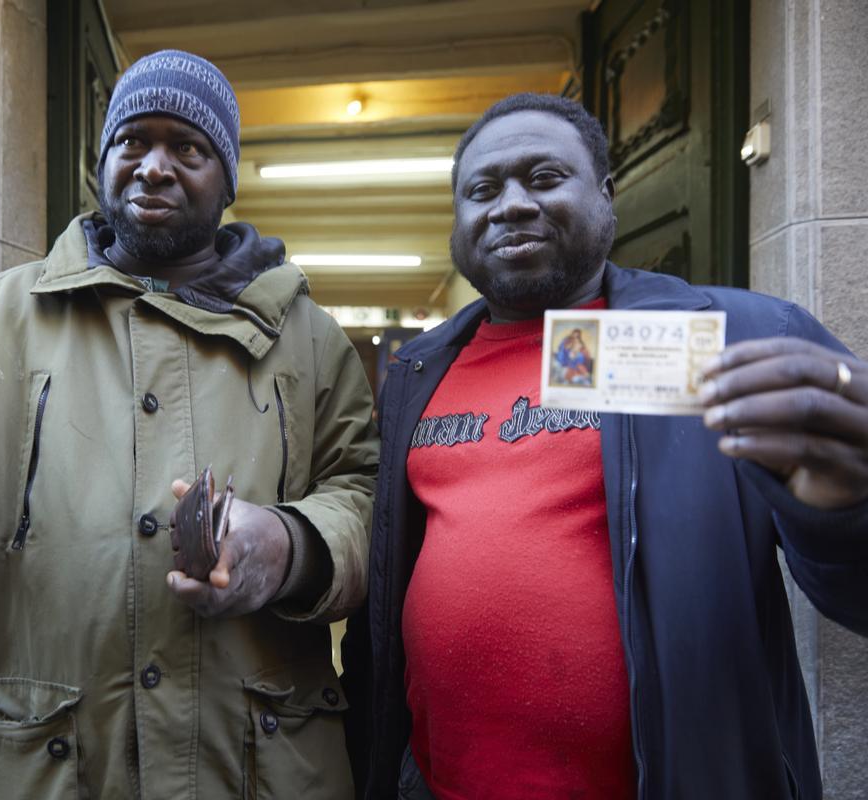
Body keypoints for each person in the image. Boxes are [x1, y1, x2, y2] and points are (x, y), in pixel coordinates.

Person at [0, 50, 376, 798]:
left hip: (258, 770)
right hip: (53, 771)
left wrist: (288, 546)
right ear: (102, 161)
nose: (154, 166)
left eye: (188, 147)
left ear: (228, 178)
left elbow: (369, 501)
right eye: (132, 142)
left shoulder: (307, 337)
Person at [341, 93, 868, 800]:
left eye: (545, 177)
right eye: (483, 190)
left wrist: (845, 510)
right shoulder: (419, 371)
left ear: (607, 196)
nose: (513, 205)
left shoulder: (733, 340)